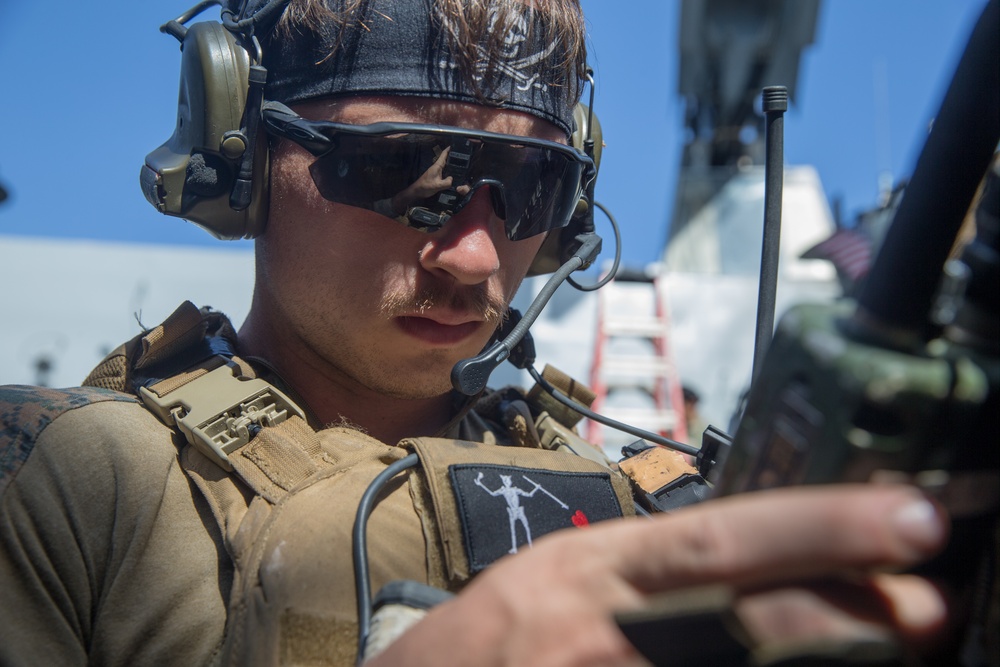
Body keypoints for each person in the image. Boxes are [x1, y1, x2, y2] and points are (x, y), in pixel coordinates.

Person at [0, 1, 955, 665]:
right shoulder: (68, 486)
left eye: (529, 188)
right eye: (403, 171)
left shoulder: (646, 498)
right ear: (240, 154)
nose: (472, 255)